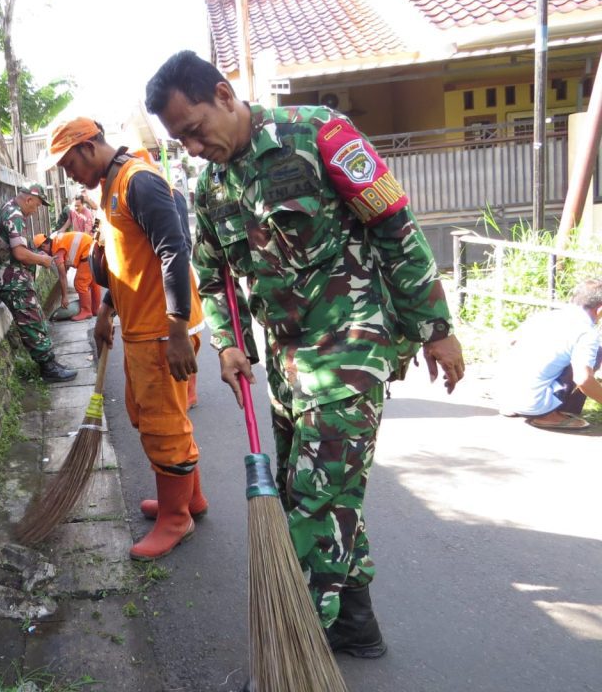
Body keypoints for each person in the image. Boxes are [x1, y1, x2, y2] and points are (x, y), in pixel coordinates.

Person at [146, 50, 466, 658]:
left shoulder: (319, 135)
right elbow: (213, 277)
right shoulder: (213, 188)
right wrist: (229, 343)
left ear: (224, 95)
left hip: (350, 348)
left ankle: (293, 652)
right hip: (288, 364)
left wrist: (435, 328)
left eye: (195, 129)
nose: (192, 147)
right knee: (314, 493)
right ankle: (356, 625)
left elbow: (394, 226)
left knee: (316, 502)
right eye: (180, 139)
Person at [41, 116, 208, 561]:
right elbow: (125, 260)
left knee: (163, 424)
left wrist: (176, 329)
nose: (69, 175)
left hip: (161, 331)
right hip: (142, 327)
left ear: (88, 146)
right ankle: (189, 498)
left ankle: (176, 519)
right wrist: (106, 310)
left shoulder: (138, 181)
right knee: (154, 416)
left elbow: (174, 250)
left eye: (69, 164)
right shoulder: (110, 187)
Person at [0, 184, 77, 383]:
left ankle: (50, 363)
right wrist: (42, 260)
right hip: (12, 281)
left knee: (35, 318)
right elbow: (20, 253)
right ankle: (48, 368)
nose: (36, 210)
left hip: (12, 278)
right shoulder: (14, 215)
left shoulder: (8, 210)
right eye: (36, 205)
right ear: (28, 199)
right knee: (32, 322)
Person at [495, 278, 602, 429]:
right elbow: (583, 379)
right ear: (600, 309)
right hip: (533, 403)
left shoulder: (543, 316)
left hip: (502, 396)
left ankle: (517, 403)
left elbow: (512, 344)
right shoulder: (586, 332)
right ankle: (550, 415)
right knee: (596, 354)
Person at [33, 230, 101, 321]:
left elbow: (62, 275)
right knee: (93, 282)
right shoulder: (57, 241)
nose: (44, 253)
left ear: (44, 246)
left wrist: (64, 297)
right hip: (93, 249)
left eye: (42, 250)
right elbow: (65, 268)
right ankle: (96, 309)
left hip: (87, 253)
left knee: (80, 283)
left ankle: (86, 311)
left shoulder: (56, 250)